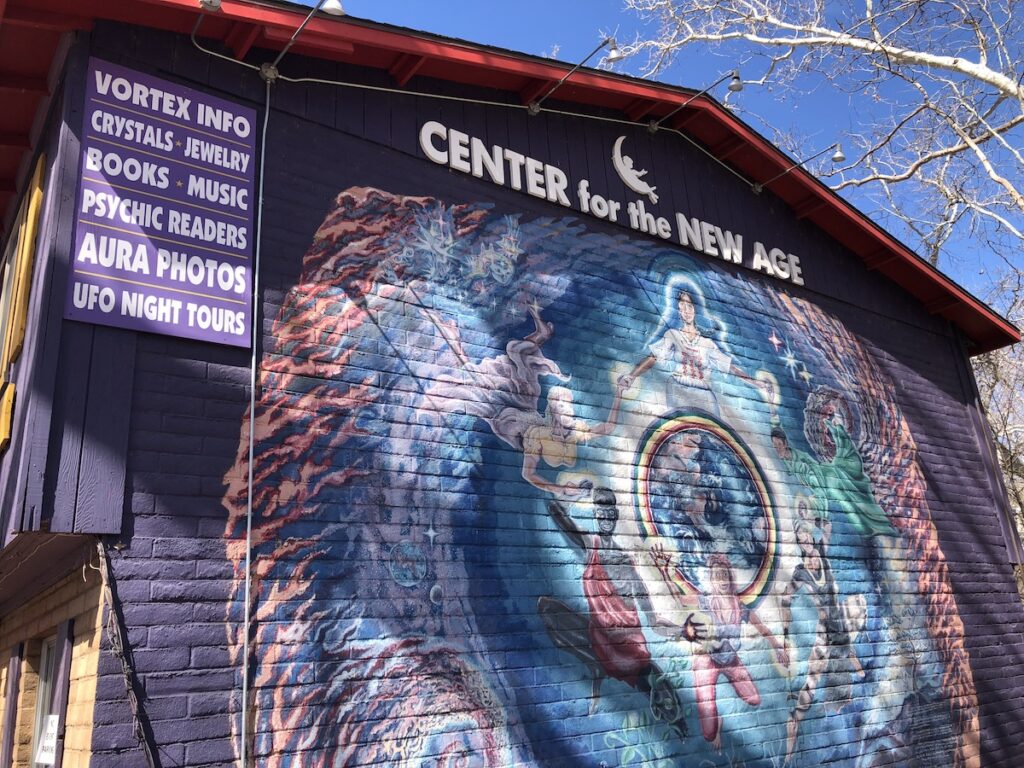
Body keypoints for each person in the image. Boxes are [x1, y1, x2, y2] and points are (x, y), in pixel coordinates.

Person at [538, 489, 707, 736]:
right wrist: (575, 494)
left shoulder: (629, 568)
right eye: (601, 514)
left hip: (632, 654)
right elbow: (558, 513)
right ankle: (676, 722)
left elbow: (655, 622)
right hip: (603, 644)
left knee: (659, 687)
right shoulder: (591, 547)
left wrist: (682, 631)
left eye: (609, 514)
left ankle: (680, 725)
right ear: (596, 516)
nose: (605, 519)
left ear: (615, 516)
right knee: (549, 610)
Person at [424, 303, 625, 498]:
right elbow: (528, 474)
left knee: (490, 383)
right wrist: (560, 489)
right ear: (552, 410)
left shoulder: (575, 432)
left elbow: (607, 428)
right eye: (563, 405)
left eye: (569, 405)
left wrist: (619, 393)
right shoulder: (539, 435)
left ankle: (458, 339)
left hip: (518, 418)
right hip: (515, 422)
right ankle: (454, 338)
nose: (569, 410)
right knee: (492, 382)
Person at [652, 549, 789, 750]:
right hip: (707, 660)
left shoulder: (739, 607)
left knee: (754, 699)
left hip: (731, 659)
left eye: (725, 574)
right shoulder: (707, 601)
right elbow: (680, 599)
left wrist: (777, 647)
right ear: (712, 580)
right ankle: (716, 723)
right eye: (717, 576)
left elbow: (762, 628)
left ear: (731, 577)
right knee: (708, 733)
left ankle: (722, 715)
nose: (722, 580)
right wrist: (665, 572)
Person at [779, 522, 866, 764]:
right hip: (826, 632)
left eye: (806, 534)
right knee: (810, 685)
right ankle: (792, 736)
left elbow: (827, 525)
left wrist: (812, 519)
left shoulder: (823, 552)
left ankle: (857, 684)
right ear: (799, 543)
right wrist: (785, 633)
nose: (805, 539)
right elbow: (785, 599)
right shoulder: (800, 572)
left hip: (840, 628)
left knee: (855, 665)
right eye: (800, 537)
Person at [619, 280, 768, 416]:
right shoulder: (672, 334)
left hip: (704, 394)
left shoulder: (707, 343)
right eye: (682, 307)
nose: (686, 310)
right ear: (678, 312)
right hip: (678, 389)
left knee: (713, 432)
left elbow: (730, 367)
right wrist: (631, 376)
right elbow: (653, 357)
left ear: (695, 309)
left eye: (689, 306)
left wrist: (756, 383)